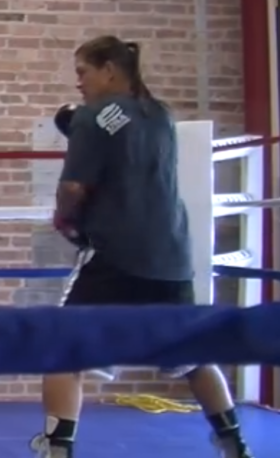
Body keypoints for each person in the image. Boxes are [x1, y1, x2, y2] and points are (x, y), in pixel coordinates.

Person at [34, 35, 255, 458]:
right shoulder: (161, 115)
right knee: (193, 353)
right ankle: (234, 443)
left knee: (61, 347)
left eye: (83, 71)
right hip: (170, 259)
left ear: (109, 70)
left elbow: (74, 186)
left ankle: (57, 448)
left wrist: (65, 219)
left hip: (117, 255)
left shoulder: (94, 116)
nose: (78, 82)